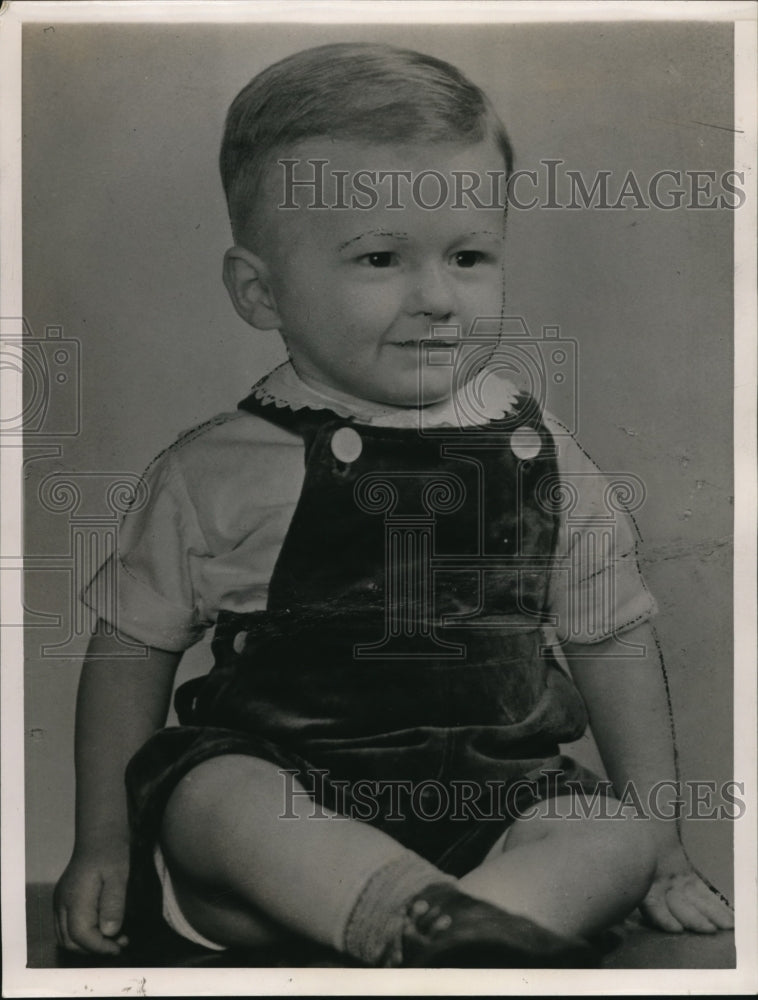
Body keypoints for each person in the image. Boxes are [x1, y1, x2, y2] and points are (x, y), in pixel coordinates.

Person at [53, 42, 734, 968]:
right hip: (285, 830)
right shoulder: (211, 471)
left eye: (468, 255)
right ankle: (424, 923)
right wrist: (103, 841)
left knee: (609, 834)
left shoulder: (546, 457)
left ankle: (464, 929)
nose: (437, 299)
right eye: (380, 258)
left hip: (496, 809)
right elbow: (130, 649)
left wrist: (664, 845)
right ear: (261, 292)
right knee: (214, 797)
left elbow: (610, 639)